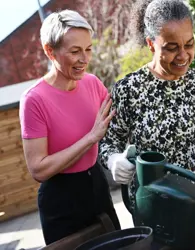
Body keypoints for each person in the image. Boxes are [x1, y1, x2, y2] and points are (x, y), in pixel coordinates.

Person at [99, 0, 195, 226]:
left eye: (189, 44)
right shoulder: (128, 90)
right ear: (151, 43)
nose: (183, 56)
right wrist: (114, 160)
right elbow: (107, 144)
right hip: (155, 211)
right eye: (172, 47)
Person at [19, 10, 120, 245]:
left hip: (96, 185)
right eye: (75, 51)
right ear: (49, 51)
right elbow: (38, 169)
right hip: (61, 201)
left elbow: (119, 122)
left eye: (88, 49)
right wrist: (90, 138)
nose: (84, 59)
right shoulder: (34, 100)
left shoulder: (93, 83)